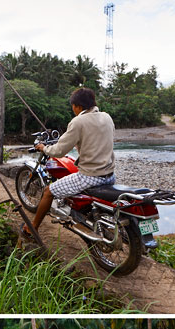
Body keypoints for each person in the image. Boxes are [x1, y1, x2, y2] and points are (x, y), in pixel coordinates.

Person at [25, 86, 115, 237]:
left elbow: (59, 151)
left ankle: (32, 228)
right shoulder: (107, 117)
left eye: (73, 106)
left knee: (48, 191)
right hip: (110, 174)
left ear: (78, 106)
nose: (73, 109)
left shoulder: (78, 122)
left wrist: (44, 148)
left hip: (90, 176)